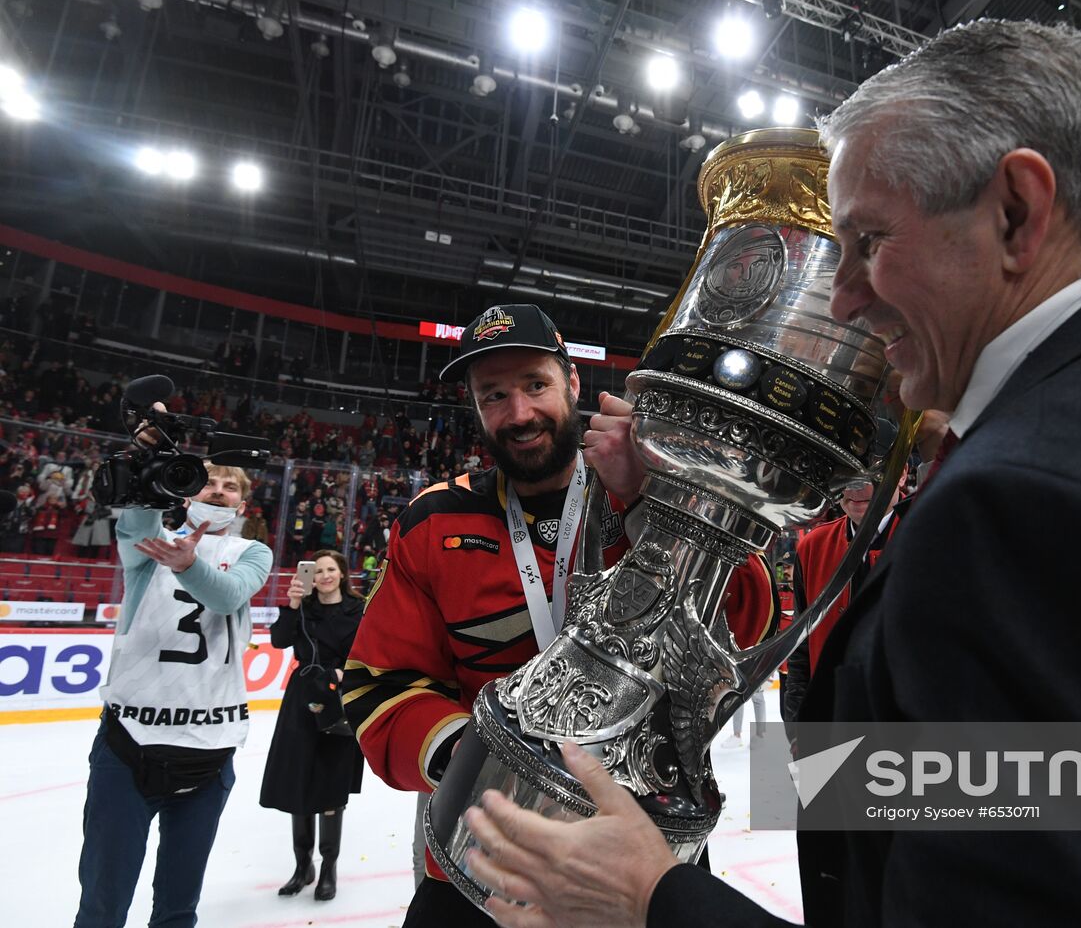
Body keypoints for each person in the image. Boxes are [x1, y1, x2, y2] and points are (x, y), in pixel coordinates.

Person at [462, 19, 1081, 928]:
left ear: (1017, 213)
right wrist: (791, 774)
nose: (842, 296)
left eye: (869, 241)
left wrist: (655, 899)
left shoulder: (1025, 501)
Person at [341, 304, 777, 927]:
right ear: (475, 406)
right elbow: (380, 685)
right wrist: (483, 763)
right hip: (485, 858)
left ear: (574, 385)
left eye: (535, 385)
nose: (518, 414)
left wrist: (649, 499)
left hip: (641, 853)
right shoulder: (434, 521)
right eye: (494, 395)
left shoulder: (654, 487)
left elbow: (744, 627)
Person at [74, 461, 273, 928]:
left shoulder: (253, 551)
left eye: (231, 487)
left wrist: (190, 564)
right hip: (130, 746)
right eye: (208, 483)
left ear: (241, 505)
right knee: (102, 904)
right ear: (185, 494)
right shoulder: (148, 545)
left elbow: (227, 596)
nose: (219, 492)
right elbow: (138, 517)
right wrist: (152, 457)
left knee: (178, 908)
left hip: (209, 750)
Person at [259, 549, 366, 901]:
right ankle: (302, 866)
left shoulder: (358, 609)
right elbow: (278, 641)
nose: (323, 575)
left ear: (342, 574)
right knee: (298, 781)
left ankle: (328, 869)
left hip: (338, 700)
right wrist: (291, 605)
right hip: (302, 701)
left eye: (330, 569)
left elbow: (368, 652)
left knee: (331, 785)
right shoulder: (302, 608)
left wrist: (344, 672)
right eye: (317, 570)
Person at [780, 462, 907, 724]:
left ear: (903, 472)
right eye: (845, 474)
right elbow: (801, 647)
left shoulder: (930, 534)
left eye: (871, 473)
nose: (855, 487)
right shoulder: (812, 546)